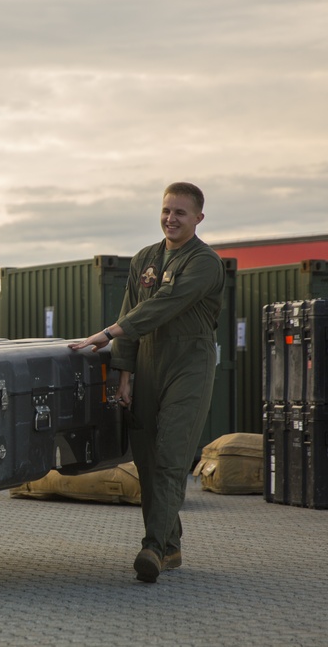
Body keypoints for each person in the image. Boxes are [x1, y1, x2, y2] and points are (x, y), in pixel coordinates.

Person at [69, 182, 224, 583]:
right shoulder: (145, 259)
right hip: (148, 363)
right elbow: (132, 312)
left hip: (189, 363)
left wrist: (107, 333)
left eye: (181, 213)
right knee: (147, 458)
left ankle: (152, 547)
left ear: (199, 219)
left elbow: (162, 305)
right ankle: (170, 546)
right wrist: (124, 374)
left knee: (172, 454)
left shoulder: (205, 262)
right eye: (166, 210)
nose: (171, 219)